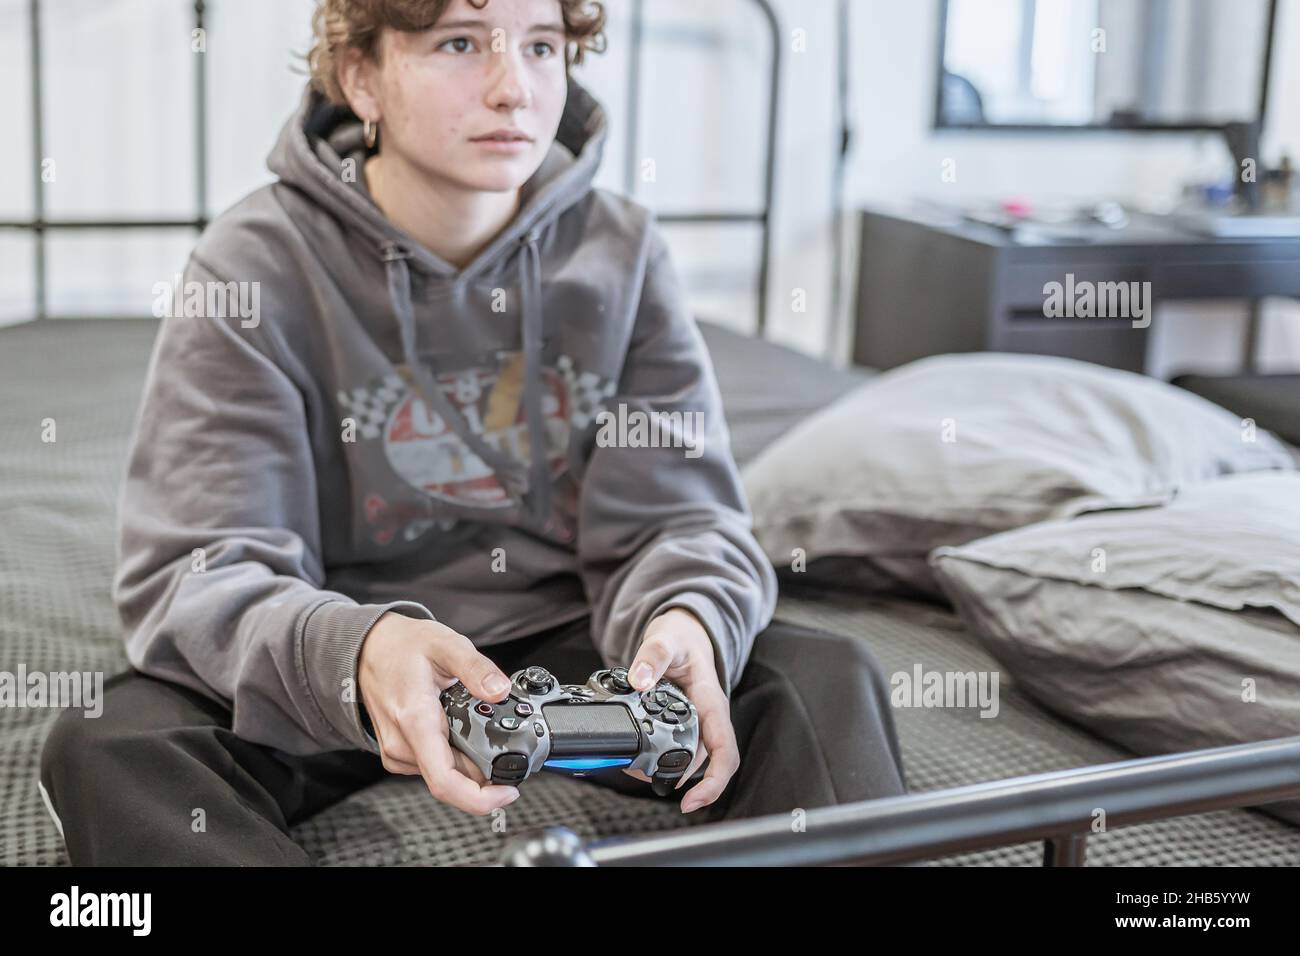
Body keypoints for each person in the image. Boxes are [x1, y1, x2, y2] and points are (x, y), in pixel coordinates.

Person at [39, 0, 907, 865]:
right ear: (360, 77)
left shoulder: (624, 253)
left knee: (822, 679)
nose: (513, 90)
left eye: (541, 47)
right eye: (459, 44)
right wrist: (359, 648)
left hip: (579, 646)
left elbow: (680, 521)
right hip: (343, 658)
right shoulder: (252, 266)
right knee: (113, 746)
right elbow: (201, 564)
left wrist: (689, 618)